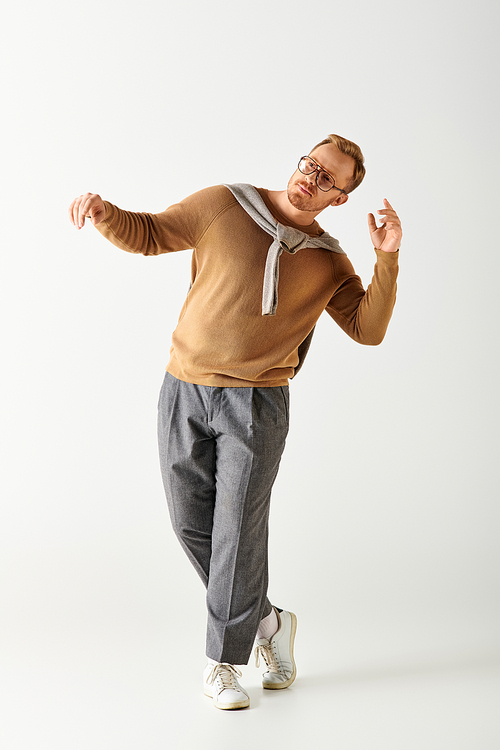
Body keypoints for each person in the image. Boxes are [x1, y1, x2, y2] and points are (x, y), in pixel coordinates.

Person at [68, 134, 402, 711]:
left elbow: (368, 329)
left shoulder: (328, 262)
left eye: (329, 180)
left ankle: (223, 663)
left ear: (341, 199)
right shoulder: (226, 204)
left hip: (258, 404)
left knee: (238, 532)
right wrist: (104, 214)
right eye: (310, 165)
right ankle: (269, 622)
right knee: (187, 521)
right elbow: (150, 233)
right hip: (184, 388)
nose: (311, 179)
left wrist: (387, 258)